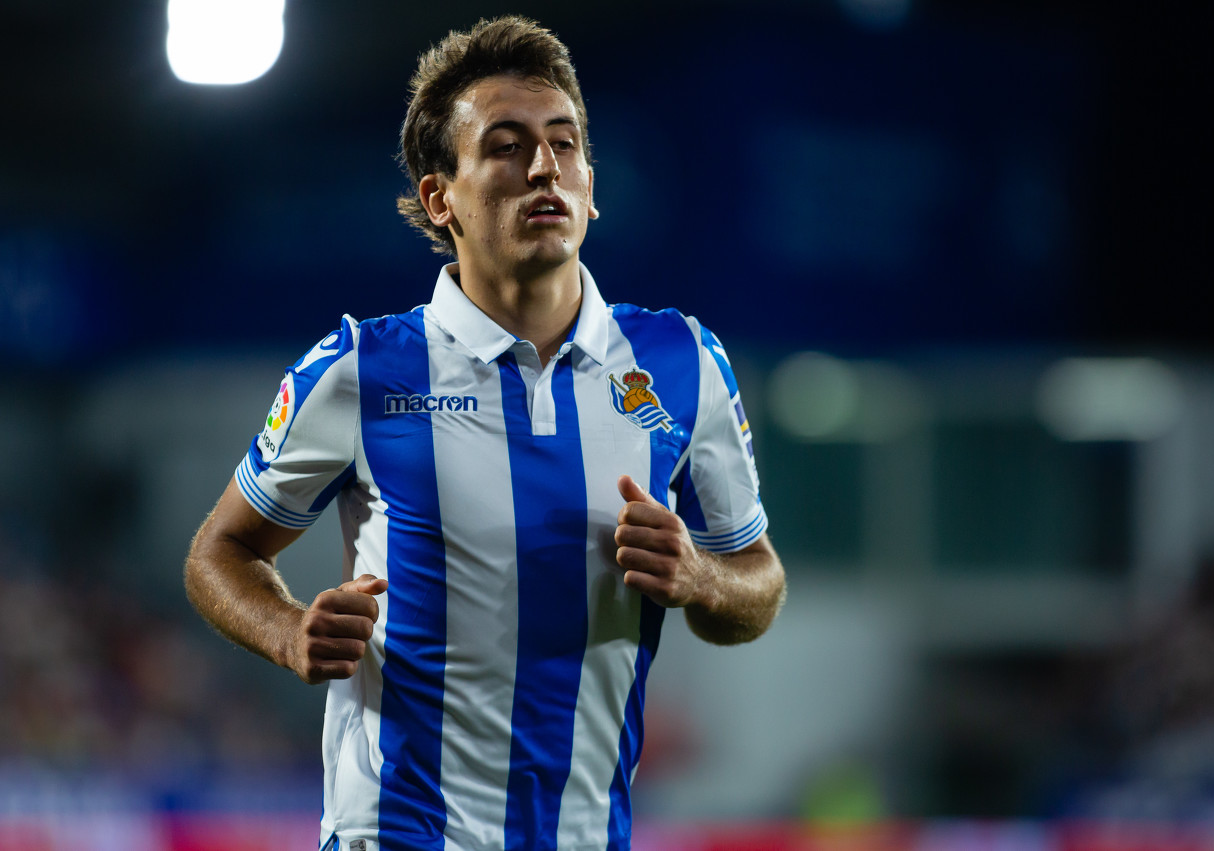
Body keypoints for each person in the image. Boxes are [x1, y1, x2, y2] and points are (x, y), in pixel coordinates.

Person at [184, 15, 785, 851]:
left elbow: (758, 582)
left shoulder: (682, 362)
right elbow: (218, 552)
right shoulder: (362, 370)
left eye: (565, 144)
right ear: (441, 199)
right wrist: (289, 632)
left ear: (590, 184)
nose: (545, 167)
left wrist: (701, 577)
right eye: (506, 147)